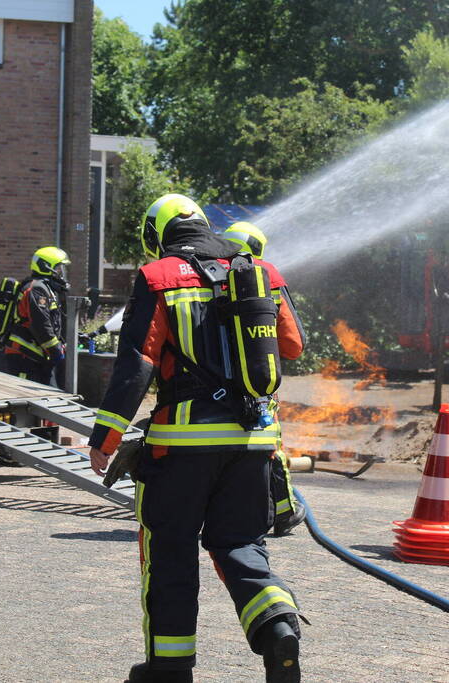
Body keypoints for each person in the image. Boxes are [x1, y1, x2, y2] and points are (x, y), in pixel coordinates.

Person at [89, 194, 307, 683]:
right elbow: (292, 345)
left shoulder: (157, 277)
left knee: (170, 551)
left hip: (179, 447)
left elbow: (136, 366)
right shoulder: (261, 272)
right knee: (241, 544)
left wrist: (104, 439)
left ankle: (169, 668)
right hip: (253, 442)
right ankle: (277, 627)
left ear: (157, 234)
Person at [223, 221, 307, 537]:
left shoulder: (202, 273)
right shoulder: (266, 275)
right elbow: (294, 345)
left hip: (208, 390)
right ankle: (284, 512)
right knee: (269, 445)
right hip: (255, 383)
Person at [2, 246, 70, 388]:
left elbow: (51, 322)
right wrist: (56, 350)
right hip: (25, 356)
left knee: (49, 396)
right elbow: (41, 324)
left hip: (37, 356)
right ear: (47, 267)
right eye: (58, 268)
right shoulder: (36, 289)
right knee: (27, 400)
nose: (61, 273)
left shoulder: (46, 288)